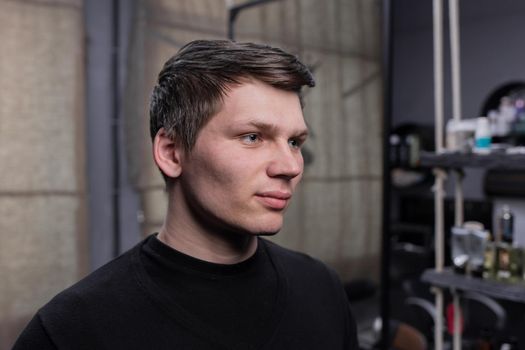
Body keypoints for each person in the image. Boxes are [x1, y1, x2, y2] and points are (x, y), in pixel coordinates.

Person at [13, 39, 358, 349]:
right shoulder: (71, 330)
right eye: (253, 137)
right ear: (172, 152)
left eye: (294, 142)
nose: (291, 166)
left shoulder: (321, 288)